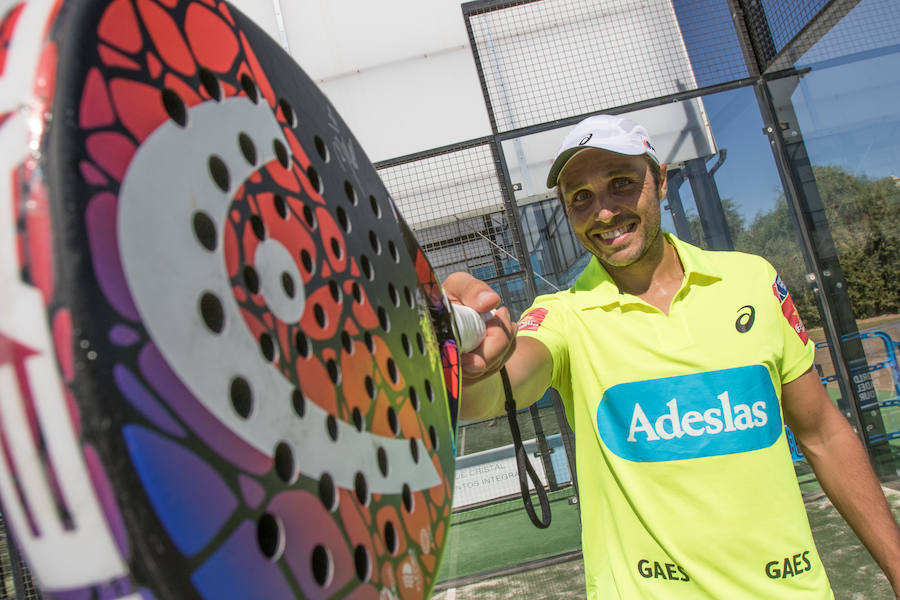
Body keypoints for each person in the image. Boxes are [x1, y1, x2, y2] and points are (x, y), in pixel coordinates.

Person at [443, 114, 900, 599]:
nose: (603, 212)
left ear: (659, 181)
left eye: (621, 183)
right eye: (580, 197)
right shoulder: (561, 316)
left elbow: (824, 433)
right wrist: (469, 358)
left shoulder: (752, 280)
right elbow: (493, 394)